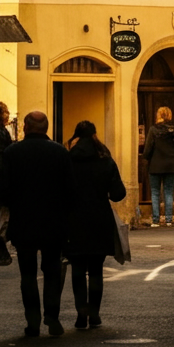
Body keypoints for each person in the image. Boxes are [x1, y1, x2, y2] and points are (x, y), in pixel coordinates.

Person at [0, 110, 73, 336]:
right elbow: (70, 189)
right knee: (52, 270)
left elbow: (3, 191)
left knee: (27, 273)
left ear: (26, 127)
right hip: (53, 222)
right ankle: (52, 317)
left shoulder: (12, 153)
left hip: (24, 221)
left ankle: (32, 321)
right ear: (46, 128)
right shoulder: (60, 152)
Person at [64, 120, 127, 330]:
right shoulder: (105, 160)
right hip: (100, 218)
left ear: (76, 136)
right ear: (94, 135)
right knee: (96, 270)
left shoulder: (68, 160)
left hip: (74, 219)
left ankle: (81, 311)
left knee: (78, 268)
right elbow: (119, 194)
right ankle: (95, 314)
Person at [141, 106, 174, 227]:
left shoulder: (154, 129)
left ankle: (155, 220)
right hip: (172, 164)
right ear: (170, 115)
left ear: (158, 115)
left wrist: (145, 158)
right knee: (168, 192)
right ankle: (169, 219)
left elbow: (148, 147)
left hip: (156, 164)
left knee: (155, 192)